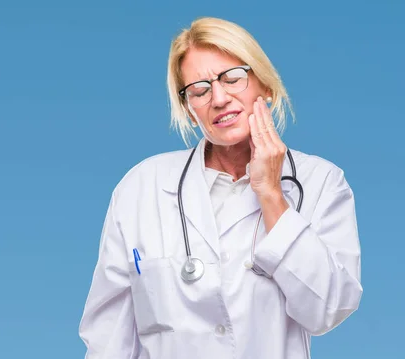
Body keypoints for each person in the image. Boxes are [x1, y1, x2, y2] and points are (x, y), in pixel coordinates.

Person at [78, 17, 362, 359]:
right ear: (188, 108)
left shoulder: (322, 182)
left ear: (265, 86)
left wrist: (271, 194)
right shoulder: (140, 187)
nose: (219, 97)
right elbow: (108, 338)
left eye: (233, 78)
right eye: (199, 89)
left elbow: (328, 310)